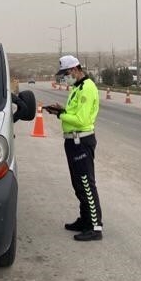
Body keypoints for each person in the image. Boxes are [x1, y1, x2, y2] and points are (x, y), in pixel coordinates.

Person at [44, 55, 102, 241]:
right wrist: (61, 110)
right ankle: (84, 220)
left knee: (86, 184)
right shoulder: (77, 88)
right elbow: (74, 113)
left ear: (75, 69)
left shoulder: (87, 88)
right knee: (78, 185)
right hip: (72, 141)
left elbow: (82, 120)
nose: (64, 77)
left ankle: (95, 226)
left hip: (81, 141)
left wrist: (60, 114)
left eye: (66, 73)